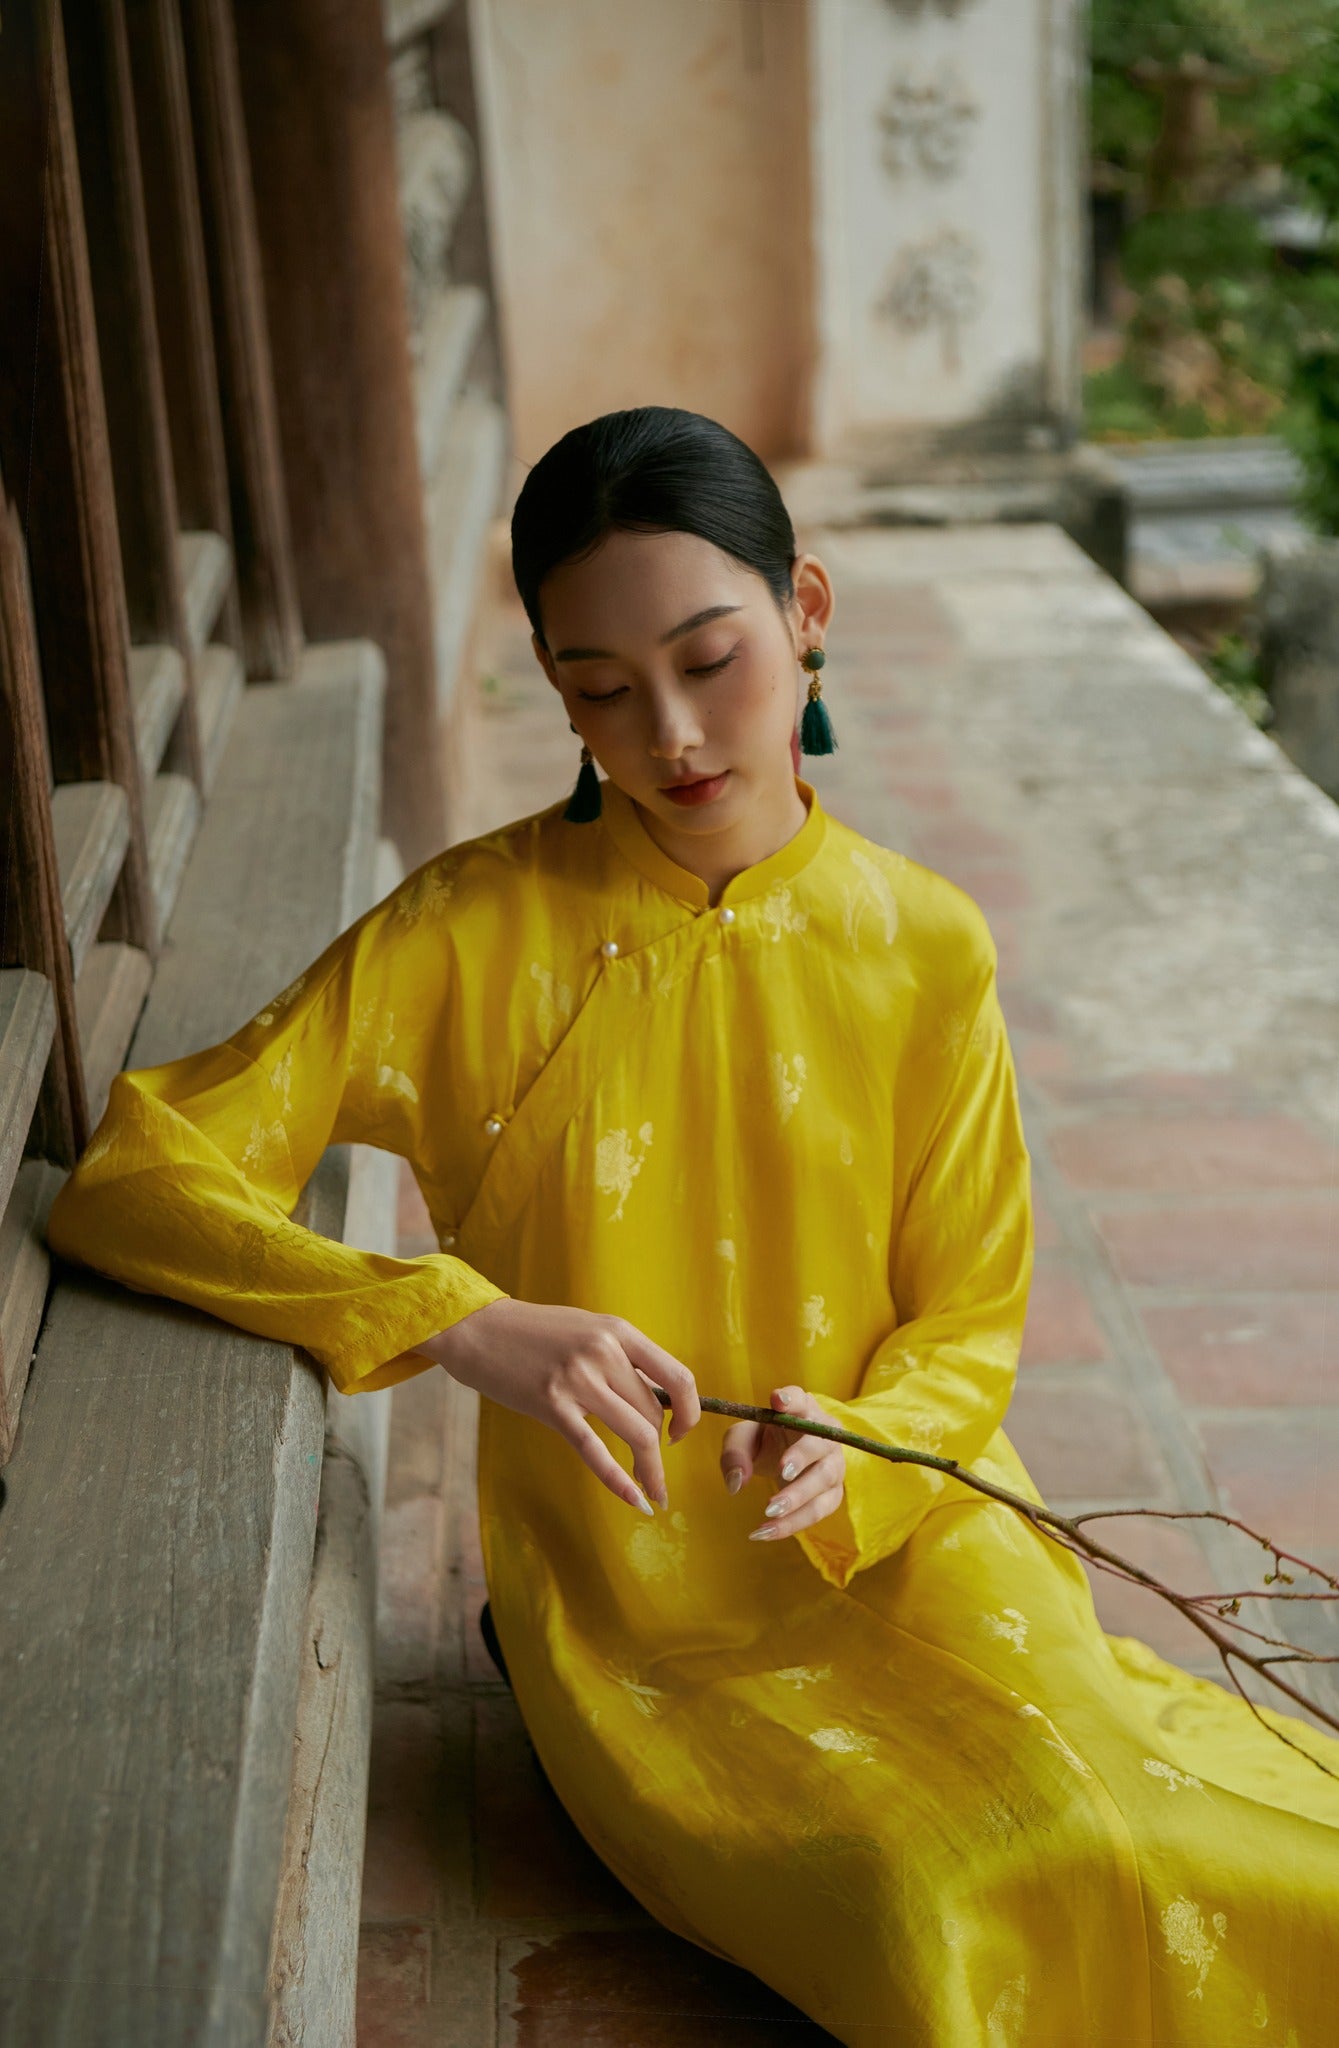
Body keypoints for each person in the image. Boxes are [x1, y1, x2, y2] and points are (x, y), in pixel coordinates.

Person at [47, 406, 1339, 2045]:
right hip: (630, 1611)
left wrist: (869, 1444)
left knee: (1148, 1823)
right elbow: (139, 1174)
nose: (668, 732)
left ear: (806, 614)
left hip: (911, 1530)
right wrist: (453, 1316)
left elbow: (970, 1320)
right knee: (935, 1889)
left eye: (710, 658)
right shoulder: (467, 935)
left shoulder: (923, 945)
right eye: (597, 688)